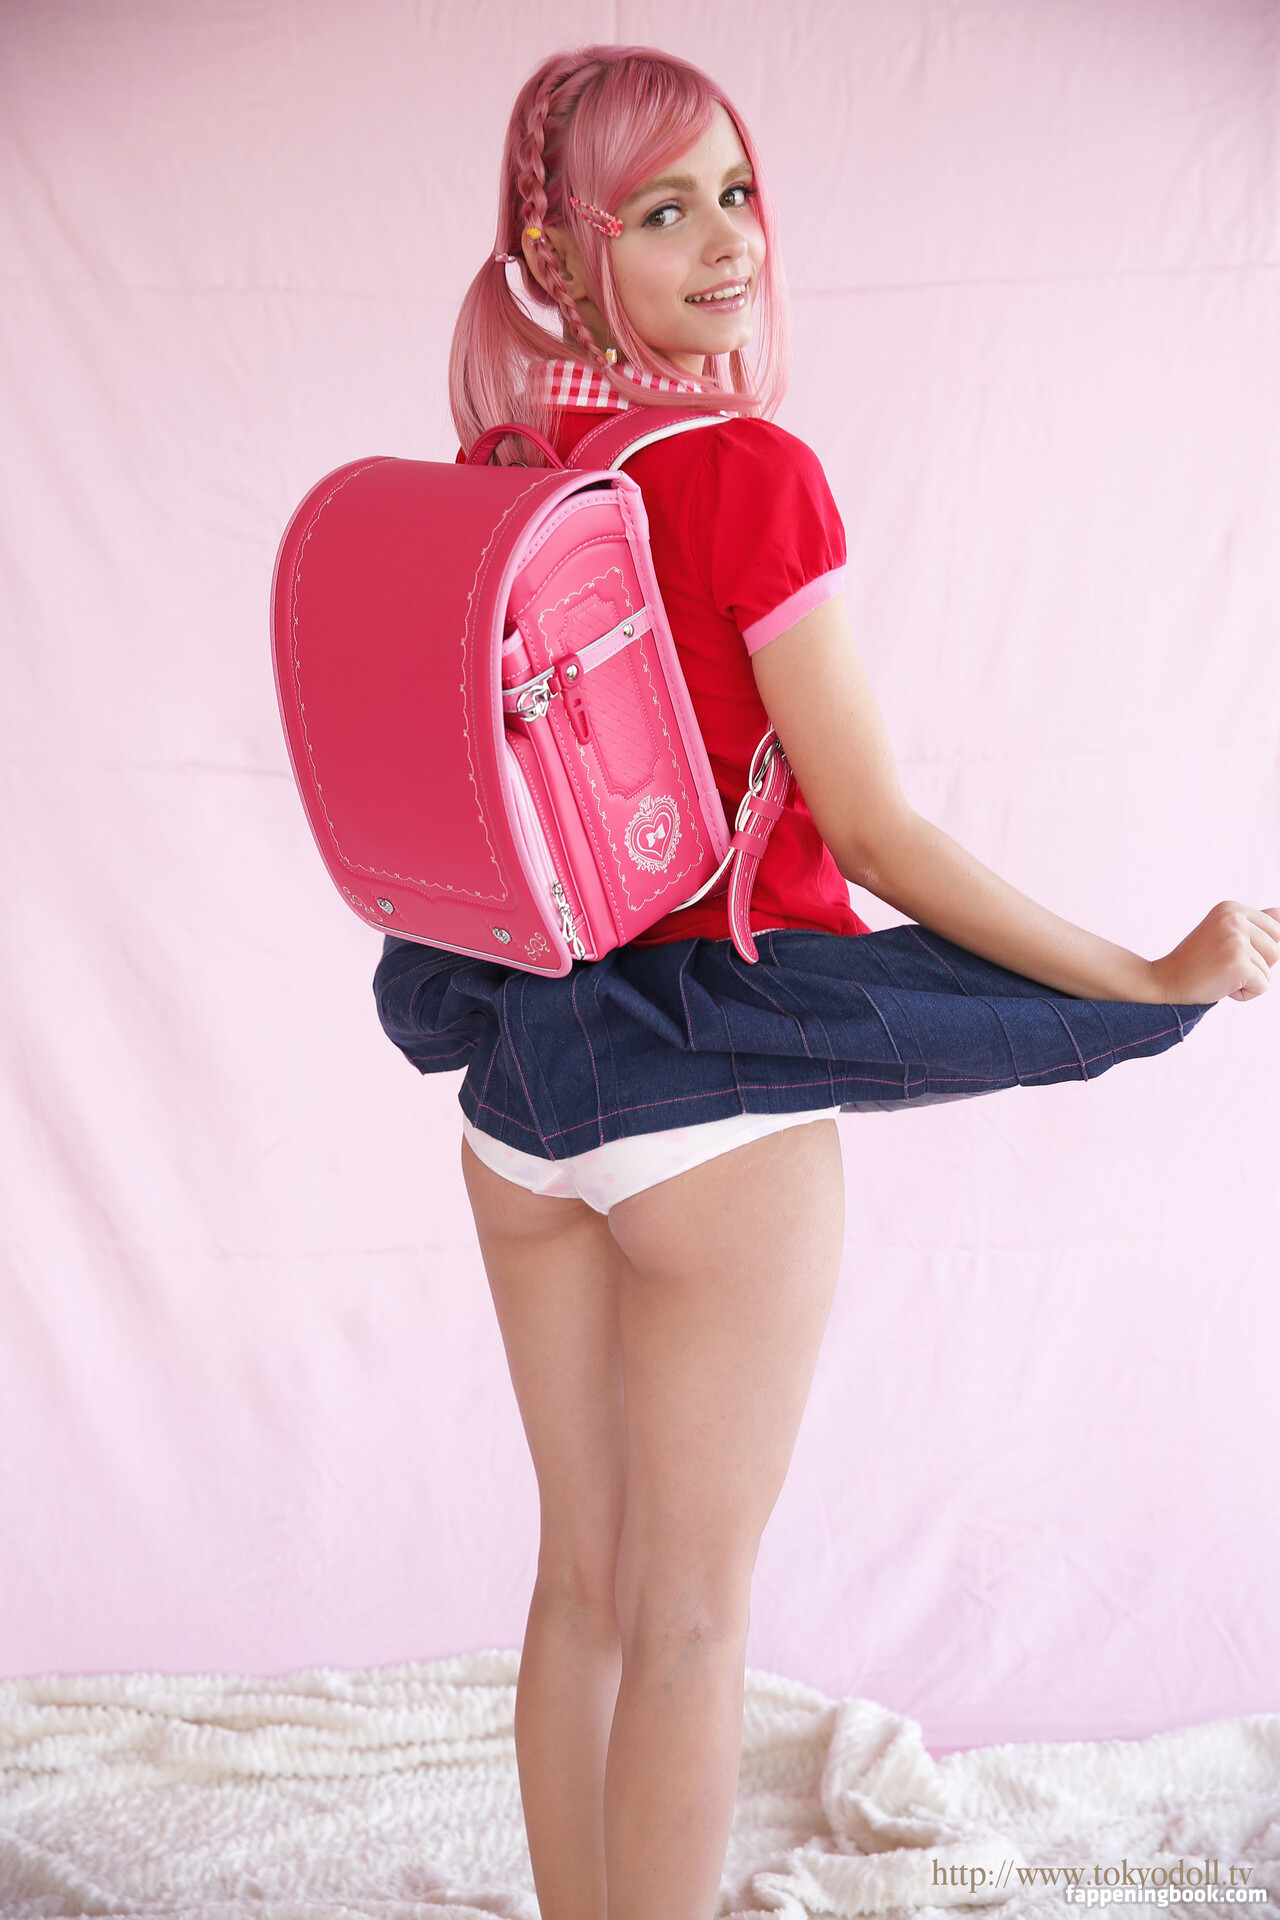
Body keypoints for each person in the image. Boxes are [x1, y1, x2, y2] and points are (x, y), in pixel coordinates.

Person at [372, 45, 1278, 1920]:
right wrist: (1142, 975)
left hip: (517, 1098)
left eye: (737, 190)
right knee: (694, 1618)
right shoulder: (749, 475)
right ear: (560, 255)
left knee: (579, 1587)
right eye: (663, 210)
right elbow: (875, 835)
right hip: (712, 1106)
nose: (729, 241)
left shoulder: (500, 479)